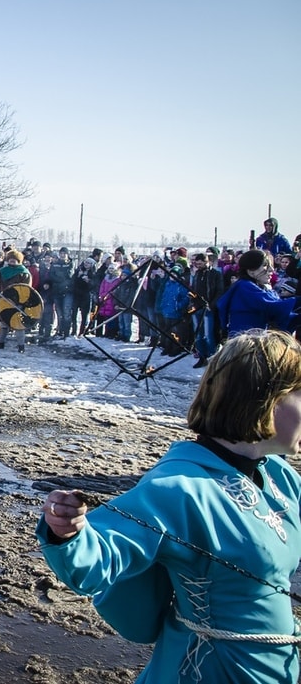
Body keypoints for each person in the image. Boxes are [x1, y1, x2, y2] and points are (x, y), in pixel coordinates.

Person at [39, 329, 301, 682]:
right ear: (266, 400)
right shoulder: (179, 488)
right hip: (208, 669)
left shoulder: (280, 476)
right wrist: (67, 529)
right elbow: (98, 558)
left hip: (275, 664)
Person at [216, 249, 299, 337]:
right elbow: (273, 307)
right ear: (251, 270)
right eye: (265, 265)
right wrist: (298, 301)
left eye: (271, 266)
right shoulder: (245, 287)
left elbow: (279, 314)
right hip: (245, 344)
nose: (271, 270)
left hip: (257, 341)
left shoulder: (262, 288)